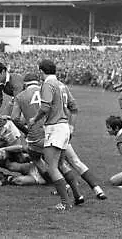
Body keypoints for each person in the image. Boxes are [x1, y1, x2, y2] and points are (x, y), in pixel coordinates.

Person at [13, 73, 107, 201]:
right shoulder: (50, 89)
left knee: (38, 158)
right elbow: (70, 108)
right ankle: (96, 190)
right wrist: (71, 127)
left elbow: (15, 119)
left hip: (38, 137)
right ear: (38, 82)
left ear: (25, 84)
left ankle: (64, 191)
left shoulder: (20, 96)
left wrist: (26, 129)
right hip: (59, 131)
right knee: (73, 162)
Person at [29, 60, 84, 210]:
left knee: (52, 166)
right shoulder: (61, 85)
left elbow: (45, 107)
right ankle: (78, 195)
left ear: (41, 71)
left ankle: (65, 203)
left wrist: (35, 119)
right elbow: (74, 107)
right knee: (60, 164)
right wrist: (71, 126)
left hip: (55, 128)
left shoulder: (48, 84)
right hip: (64, 127)